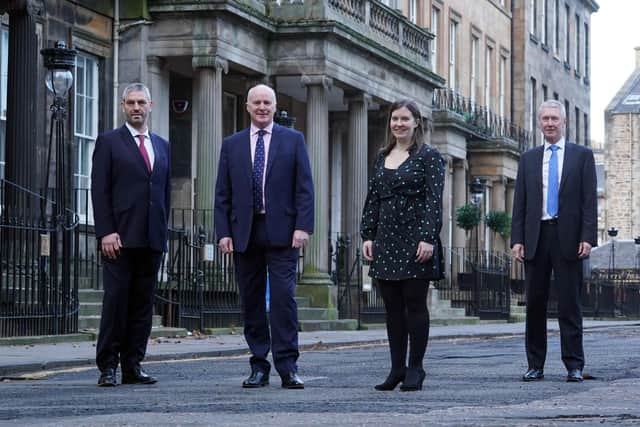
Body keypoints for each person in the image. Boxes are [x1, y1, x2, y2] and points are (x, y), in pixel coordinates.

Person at [214, 84, 314, 389]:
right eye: (256, 102)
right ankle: (259, 365)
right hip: (245, 232)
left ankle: (288, 366)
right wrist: (223, 233)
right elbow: (222, 194)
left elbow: (305, 188)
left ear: (274, 105)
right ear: (247, 107)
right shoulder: (231, 145)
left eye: (267, 102)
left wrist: (303, 226)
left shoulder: (293, 140)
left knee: (283, 299)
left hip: (282, 231)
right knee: (252, 300)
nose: (261, 107)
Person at [360, 99, 445, 392]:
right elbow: (373, 199)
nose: (399, 124)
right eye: (395, 119)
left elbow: (434, 201)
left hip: (415, 239)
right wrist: (367, 235)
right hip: (386, 239)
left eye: (405, 119)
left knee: (414, 305)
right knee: (392, 308)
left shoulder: (429, 156)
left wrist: (428, 238)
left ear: (416, 122)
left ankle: (415, 368)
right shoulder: (381, 156)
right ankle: (396, 369)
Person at [511, 99, 597, 383]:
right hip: (536, 236)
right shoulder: (528, 159)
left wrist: (587, 236)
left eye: (554, 119)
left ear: (564, 122)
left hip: (569, 237)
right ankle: (535, 364)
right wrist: (517, 239)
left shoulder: (582, 156)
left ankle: (574, 364)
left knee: (569, 304)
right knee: (535, 304)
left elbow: (588, 201)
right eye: (545, 118)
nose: (549, 123)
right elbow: (520, 203)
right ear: (539, 122)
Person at [91, 83, 171, 387]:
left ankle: (133, 365)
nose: (136, 108)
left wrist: (162, 233)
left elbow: (162, 192)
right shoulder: (109, 142)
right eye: (131, 103)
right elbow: (100, 190)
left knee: (142, 305)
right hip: (119, 238)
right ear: (123, 106)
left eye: (141, 103)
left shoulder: (162, 145)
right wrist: (106, 232)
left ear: (151, 106)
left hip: (151, 239)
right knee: (115, 303)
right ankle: (108, 366)